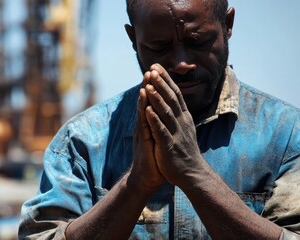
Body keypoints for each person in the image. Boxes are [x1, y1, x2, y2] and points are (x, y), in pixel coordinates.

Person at [18, 0, 300, 239]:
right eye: (159, 47)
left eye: (197, 41)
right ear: (133, 39)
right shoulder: (82, 141)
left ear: (227, 25)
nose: (181, 63)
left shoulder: (287, 135)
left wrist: (195, 175)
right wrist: (136, 184)